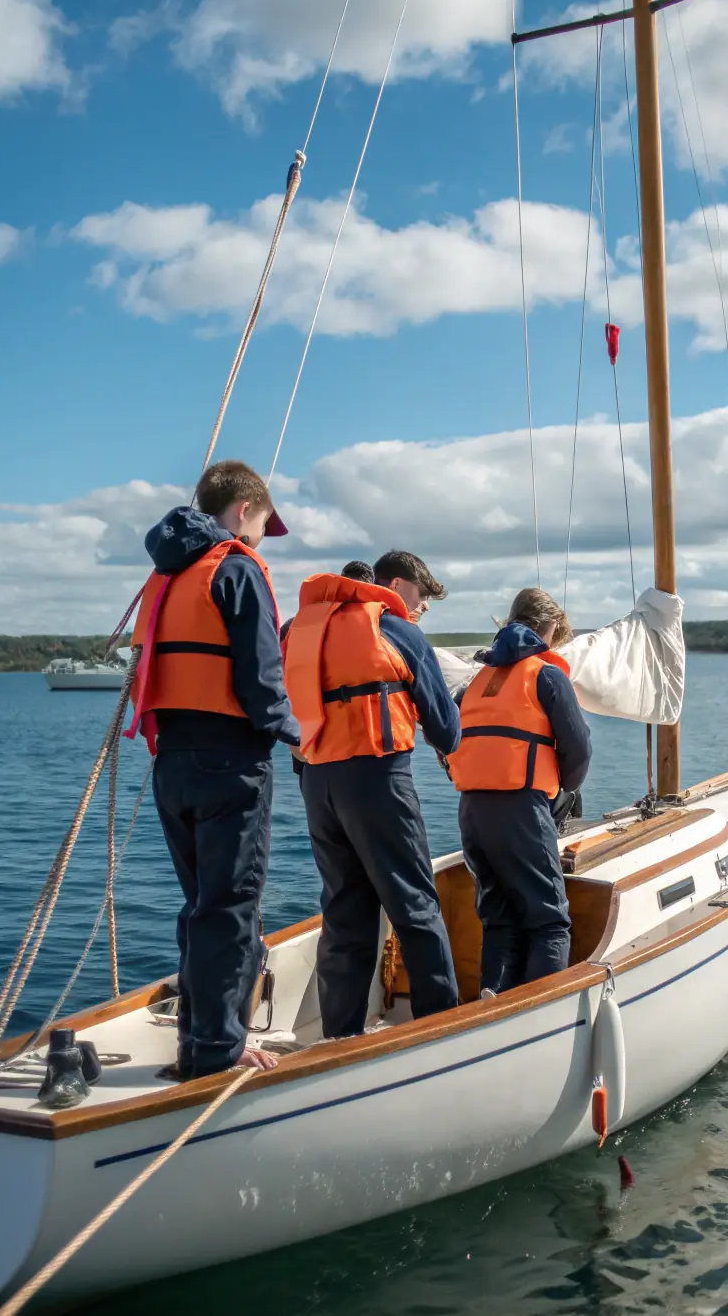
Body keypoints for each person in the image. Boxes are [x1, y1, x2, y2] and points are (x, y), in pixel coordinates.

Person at [128, 459, 299, 1079]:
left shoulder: (167, 575)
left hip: (172, 762)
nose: (258, 538)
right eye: (260, 524)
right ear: (243, 510)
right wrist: (297, 739)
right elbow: (260, 679)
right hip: (230, 762)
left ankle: (196, 1046)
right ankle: (219, 1056)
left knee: (203, 906)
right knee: (229, 911)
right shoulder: (235, 567)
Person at [283, 551, 460, 1038]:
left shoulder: (296, 631)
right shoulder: (398, 631)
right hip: (379, 780)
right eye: (421, 598)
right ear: (399, 586)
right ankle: (439, 1027)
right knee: (414, 905)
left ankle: (340, 1036)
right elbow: (446, 730)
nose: (420, 609)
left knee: (344, 911)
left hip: (317, 785)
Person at [447, 588, 592, 995]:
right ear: (549, 628)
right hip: (522, 810)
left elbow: (452, 741)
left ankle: (493, 1002)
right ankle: (538, 1017)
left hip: (472, 810)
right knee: (549, 922)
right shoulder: (546, 675)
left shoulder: (477, 681)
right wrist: (564, 792)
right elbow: (578, 748)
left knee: (499, 919)